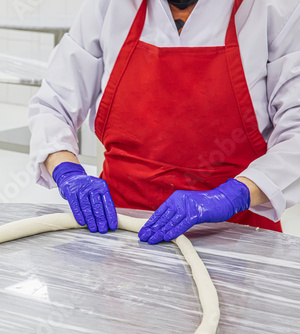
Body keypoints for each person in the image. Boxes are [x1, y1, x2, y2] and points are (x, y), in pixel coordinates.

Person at [29, 0, 300, 244]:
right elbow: (54, 104)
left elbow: (296, 135)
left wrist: (231, 197)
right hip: (120, 230)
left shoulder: (273, 8)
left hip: (236, 234)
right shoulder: (110, 6)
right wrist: (68, 173)